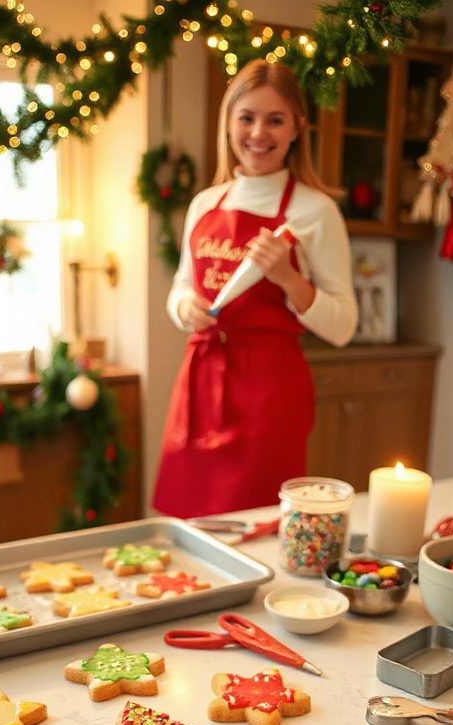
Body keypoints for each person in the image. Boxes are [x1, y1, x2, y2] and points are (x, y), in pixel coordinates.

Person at [152, 59, 358, 518]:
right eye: (247, 117)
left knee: (257, 522)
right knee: (190, 521)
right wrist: (185, 307)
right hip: (201, 383)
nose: (258, 133)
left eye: (275, 119)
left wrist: (288, 278)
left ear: (296, 128)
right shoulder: (207, 203)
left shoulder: (315, 212)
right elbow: (181, 284)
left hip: (270, 395)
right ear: (229, 123)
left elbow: (343, 325)